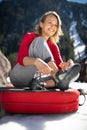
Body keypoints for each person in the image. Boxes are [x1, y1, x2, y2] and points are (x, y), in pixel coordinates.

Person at [9, 11, 80, 90]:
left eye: (55, 25)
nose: (53, 26)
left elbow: (59, 67)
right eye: (50, 22)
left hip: (34, 80)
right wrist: (36, 61)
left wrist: (68, 66)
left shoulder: (53, 46)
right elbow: (21, 60)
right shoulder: (30, 37)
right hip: (19, 75)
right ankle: (59, 79)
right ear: (41, 24)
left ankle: (41, 85)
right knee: (40, 40)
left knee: (75, 75)